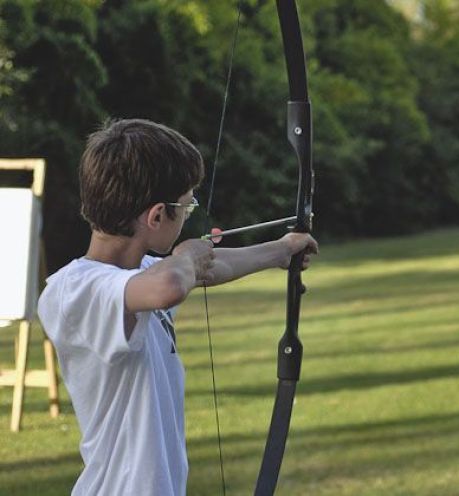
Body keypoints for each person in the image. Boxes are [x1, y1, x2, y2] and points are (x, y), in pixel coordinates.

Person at [37, 118, 318, 496]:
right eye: (186, 206)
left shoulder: (142, 275)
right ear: (156, 216)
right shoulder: (75, 289)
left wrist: (282, 251)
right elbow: (171, 284)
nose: (189, 215)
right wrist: (185, 255)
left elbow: (213, 267)